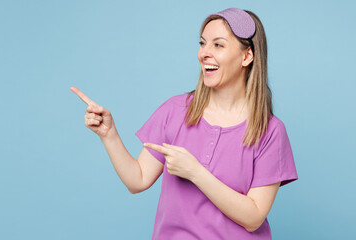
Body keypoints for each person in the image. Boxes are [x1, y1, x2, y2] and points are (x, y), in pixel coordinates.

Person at [70, 7, 298, 240]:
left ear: (247, 56)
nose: (204, 53)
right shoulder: (176, 110)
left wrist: (196, 172)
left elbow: (254, 217)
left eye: (218, 45)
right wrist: (109, 135)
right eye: (202, 43)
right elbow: (137, 180)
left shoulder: (270, 131)